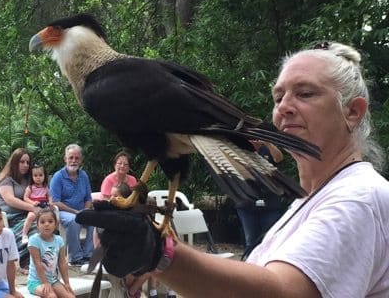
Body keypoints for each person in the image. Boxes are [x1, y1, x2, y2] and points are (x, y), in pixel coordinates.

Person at [77, 41, 389, 297]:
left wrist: (162, 255)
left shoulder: (356, 199)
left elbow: (283, 293)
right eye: (278, 96)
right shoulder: (310, 201)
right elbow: (255, 284)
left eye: (306, 93)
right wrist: (156, 259)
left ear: (352, 112)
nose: (284, 107)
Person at [235, 140, 286, 256]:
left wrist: (268, 143)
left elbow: (279, 159)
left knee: (270, 238)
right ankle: (249, 267)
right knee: (251, 239)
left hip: (270, 203)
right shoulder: (239, 150)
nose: (254, 140)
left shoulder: (267, 150)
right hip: (247, 203)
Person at [0, 148, 39, 271]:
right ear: (14, 162)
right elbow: (10, 200)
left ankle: (44, 262)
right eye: (22, 162)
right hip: (9, 218)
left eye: (27, 162)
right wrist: (33, 208)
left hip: (26, 215)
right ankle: (26, 263)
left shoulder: (28, 179)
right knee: (34, 230)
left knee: (46, 226)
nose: (25, 165)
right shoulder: (5, 179)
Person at [49, 144, 93, 266]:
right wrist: (75, 212)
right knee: (74, 220)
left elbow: (88, 198)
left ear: (81, 160)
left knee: (95, 219)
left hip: (81, 210)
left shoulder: (84, 175)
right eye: (71, 157)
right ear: (65, 159)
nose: (74, 161)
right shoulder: (58, 177)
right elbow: (55, 202)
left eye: (77, 158)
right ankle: (75, 257)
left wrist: (86, 210)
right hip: (63, 211)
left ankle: (89, 254)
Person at [27, 208, 75, 298]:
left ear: (56, 224)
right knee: (51, 296)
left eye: (50, 221)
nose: (46, 224)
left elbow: (62, 263)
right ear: (37, 225)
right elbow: (38, 264)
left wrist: (67, 283)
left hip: (53, 280)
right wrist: (45, 282)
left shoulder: (59, 240)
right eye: (42, 222)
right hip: (36, 281)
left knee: (70, 296)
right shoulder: (34, 240)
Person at [22, 164, 52, 245]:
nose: (38, 177)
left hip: (44, 207)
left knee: (48, 218)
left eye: (40, 175)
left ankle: (46, 235)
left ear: (44, 176)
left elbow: (49, 196)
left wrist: (50, 202)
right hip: (34, 207)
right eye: (35, 175)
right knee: (30, 216)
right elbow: (25, 198)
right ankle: (24, 234)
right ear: (32, 177)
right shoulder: (30, 187)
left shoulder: (45, 187)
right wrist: (32, 203)